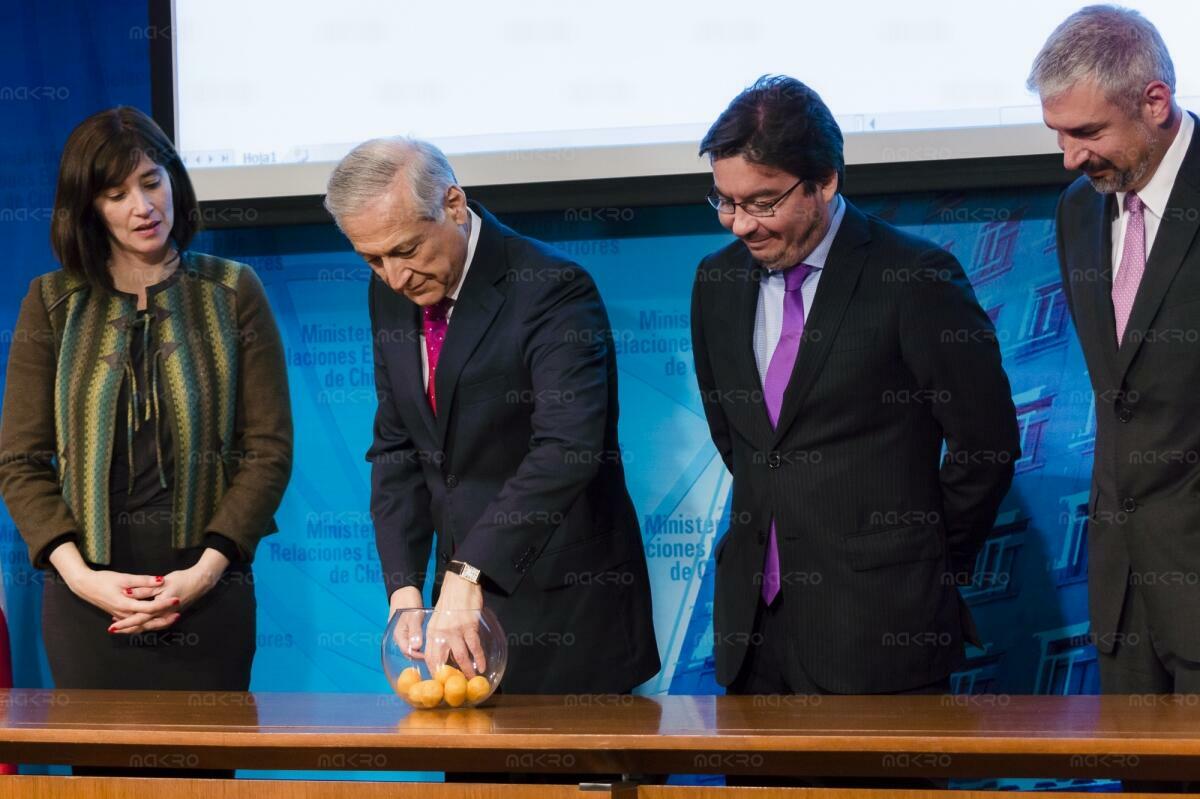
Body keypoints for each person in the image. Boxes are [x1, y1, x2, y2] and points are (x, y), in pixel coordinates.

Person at [691, 76, 1019, 701]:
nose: (739, 225)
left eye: (762, 202)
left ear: (825, 181)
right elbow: (741, 440)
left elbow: (987, 445)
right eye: (725, 201)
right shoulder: (715, 281)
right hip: (752, 639)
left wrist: (913, 564)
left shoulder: (914, 277)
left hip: (883, 632)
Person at [324, 137, 659, 694]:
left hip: (566, 612)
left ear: (454, 204)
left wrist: (469, 570)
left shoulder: (552, 288)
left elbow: (565, 449)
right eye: (372, 259)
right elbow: (398, 446)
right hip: (456, 623)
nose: (394, 277)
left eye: (405, 250)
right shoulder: (389, 293)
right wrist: (404, 589)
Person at [0, 107, 291, 724]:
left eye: (151, 182)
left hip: (207, 594)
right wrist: (82, 578)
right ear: (89, 208)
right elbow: (20, 462)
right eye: (116, 194)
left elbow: (267, 451)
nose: (142, 206)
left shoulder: (234, 291)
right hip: (87, 600)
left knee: (207, 781)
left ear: (174, 181)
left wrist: (206, 572)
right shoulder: (51, 304)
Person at [1031, 6, 1200, 697]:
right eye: (1059, 134)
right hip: (1123, 599)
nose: (1071, 157)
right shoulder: (1078, 209)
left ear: (1155, 101)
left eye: (1087, 131)